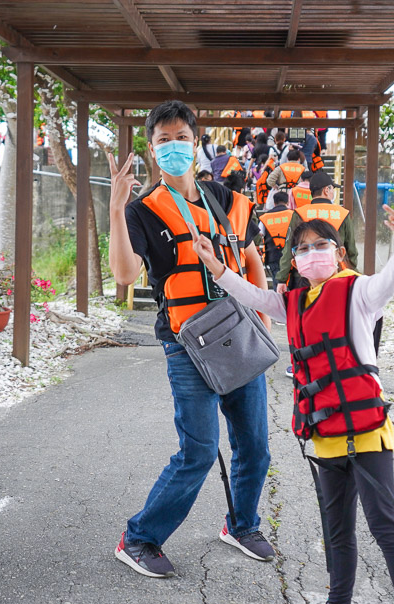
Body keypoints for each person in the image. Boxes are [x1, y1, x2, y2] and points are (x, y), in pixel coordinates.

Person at [189, 202, 394, 604]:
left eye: (321, 245)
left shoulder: (361, 294)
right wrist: (215, 267)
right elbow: (251, 296)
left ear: (340, 254)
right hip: (324, 436)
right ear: (294, 261)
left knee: (385, 525)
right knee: (337, 529)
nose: (312, 253)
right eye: (303, 248)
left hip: (365, 433)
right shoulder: (292, 302)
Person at [107, 100, 274, 579]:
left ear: (196, 142)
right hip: (186, 340)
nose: (174, 146)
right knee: (199, 450)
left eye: (182, 137)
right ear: (152, 149)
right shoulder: (141, 211)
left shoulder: (226, 198)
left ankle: (242, 525)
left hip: (237, 330)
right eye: (164, 140)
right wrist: (117, 210)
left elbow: (249, 256)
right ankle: (138, 537)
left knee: (256, 446)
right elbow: (123, 274)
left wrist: (263, 309)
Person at [276, 170, 357, 292]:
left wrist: (282, 279)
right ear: (326, 190)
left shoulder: (299, 214)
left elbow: (289, 248)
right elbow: (351, 251)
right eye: (332, 189)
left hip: (304, 278)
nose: (333, 193)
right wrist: (353, 276)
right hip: (335, 276)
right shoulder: (342, 214)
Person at [258, 191, 291, 287]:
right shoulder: (293, 215)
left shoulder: (265, 217)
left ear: (274, 203)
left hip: (272, 255)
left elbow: (260, 234)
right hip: (290, 256)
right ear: (287, 202)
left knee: (277, 284)